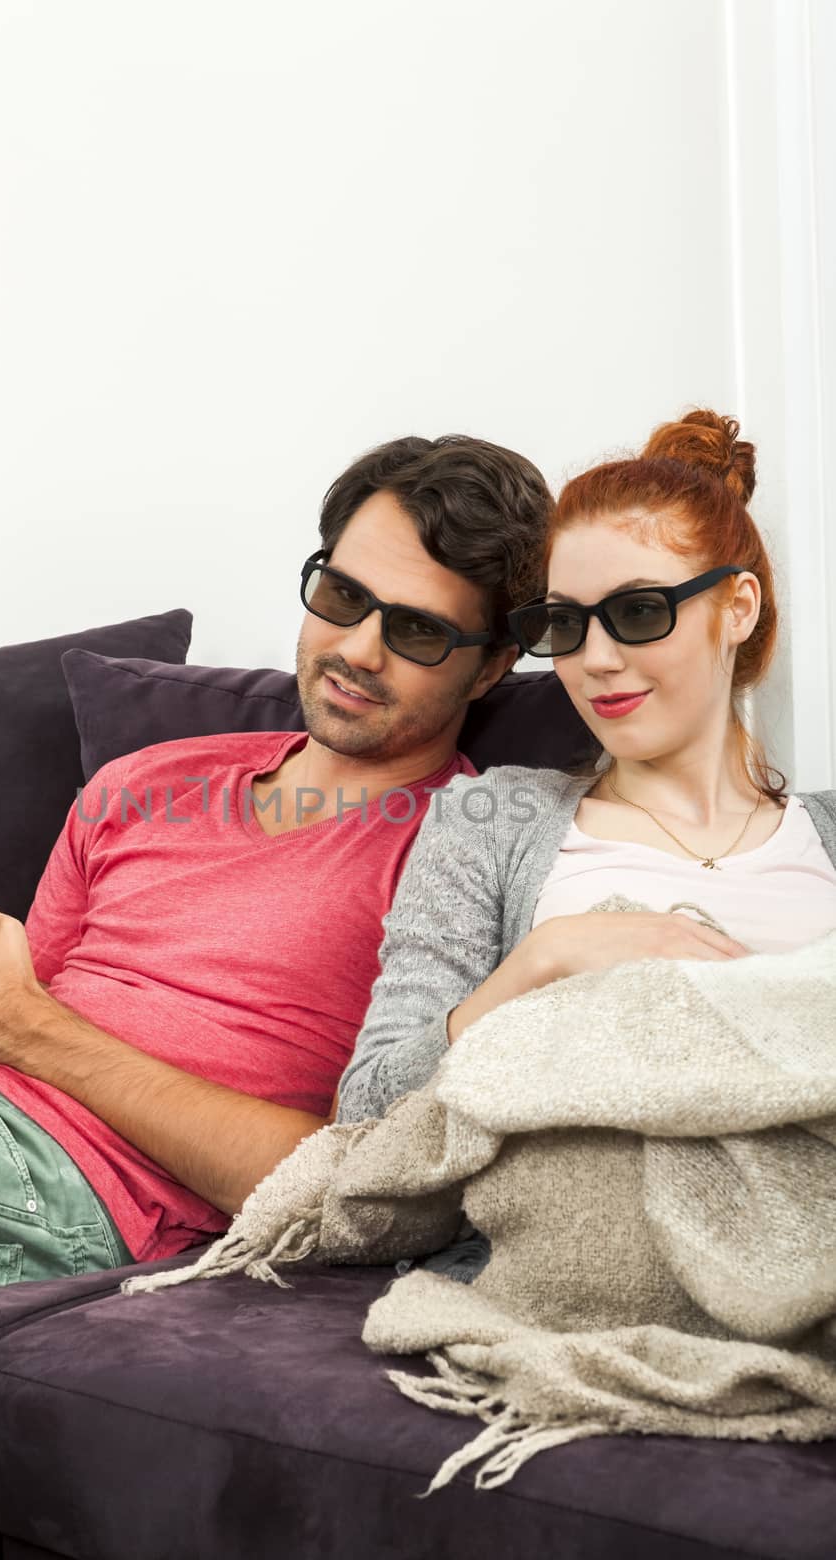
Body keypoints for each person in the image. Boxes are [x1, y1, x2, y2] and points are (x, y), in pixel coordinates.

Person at [0, 433, 548, 1299]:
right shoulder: (146, 780)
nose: (358, 649)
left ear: (492, 668)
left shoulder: (471, 845)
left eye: (416, 631)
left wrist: (16, 1021)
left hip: (67, 1184)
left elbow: (361, 1180)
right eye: (341, 596)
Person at [336, 409, 836, 1124]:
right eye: (566, 624)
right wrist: (543, 958)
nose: (595, 660)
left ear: (736, 608)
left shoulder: (825, 833)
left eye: (637, 612)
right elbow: (364, 1111)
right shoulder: (493, 819)